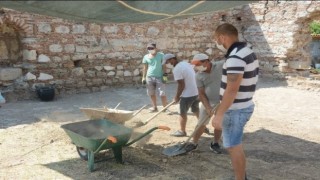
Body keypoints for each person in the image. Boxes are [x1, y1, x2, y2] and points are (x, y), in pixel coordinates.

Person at [211, 23, 259, 180]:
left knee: (233, 146)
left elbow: (232, 89)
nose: (217, 43)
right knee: (234, 144)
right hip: (242, 105)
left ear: (222, 37)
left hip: (235, 109)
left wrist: (220, 114)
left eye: (216, 40)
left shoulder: (235, 57)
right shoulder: (246, 51)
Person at [183, 53, 224, 153]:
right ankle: (194, 143)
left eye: (198, 64)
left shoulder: (220, 65)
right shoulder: (198, 76)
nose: (196, 67)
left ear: (206, 61)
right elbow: (201, 94)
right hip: (208, 101)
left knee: (219, 124)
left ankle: (215, 143)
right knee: (201, 123)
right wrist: (208, 107)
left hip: (223, 102)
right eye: (195, 65)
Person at [163, 53, 199, 137]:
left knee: (182, 112)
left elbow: (181, 85)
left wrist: (177, 97)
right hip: (195, 91)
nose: (167, 64)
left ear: (173, 59)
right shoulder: (185, 63)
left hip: (187, 94)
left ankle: (182, 131)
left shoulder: (177, 69)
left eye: (167, 62)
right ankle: (202, 126)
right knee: (195, 110)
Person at [142, 43, 169, 113]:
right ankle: (154, 107)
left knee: (162, 93)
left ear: (155, 48)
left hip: (159, 77)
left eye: (152, 48)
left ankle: (165, 108)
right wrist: (143, 77)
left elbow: (164, 66)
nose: (150, 50)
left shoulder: (161, 55)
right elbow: (145, 68)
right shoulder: (146, 57)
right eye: (149, 48)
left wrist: (165, 76)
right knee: (151, 93)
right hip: (149, 77)